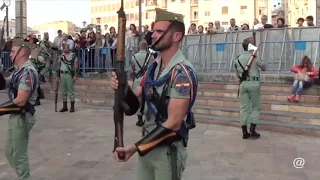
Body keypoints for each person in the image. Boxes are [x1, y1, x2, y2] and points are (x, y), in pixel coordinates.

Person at [110, 8, 198, 180]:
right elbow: (133, 106)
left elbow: (173, 123)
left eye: (159, 31)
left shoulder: (181, 73)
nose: (153, 35)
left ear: (176, 36)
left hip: (167, 152)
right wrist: (123, 88)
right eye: (153, 30)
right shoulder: (153, 68)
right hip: (147, 148)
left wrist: (134, 148)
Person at [0, 38, 39, 180]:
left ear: (22, 52)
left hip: (22, 117)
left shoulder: (28, 72)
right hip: (15, 116)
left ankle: (24, 177)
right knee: (10, 153)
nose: (10, 54)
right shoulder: (19, 71)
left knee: (19, 154)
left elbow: (21, 101)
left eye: (12, 51)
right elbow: (5, 83)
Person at [234, 38, 266, 139]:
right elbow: (265, 67)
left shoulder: (238, 59)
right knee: (255, 107)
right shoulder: (254, 58)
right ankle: (252, 130)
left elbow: (238, 75)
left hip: (243, 84)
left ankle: (244, 131)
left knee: (244, 108)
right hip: (254, 83)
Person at [130, 40, 153, 127]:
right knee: (148, 99)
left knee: (138, 100)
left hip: (137, 80)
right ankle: (147, 118)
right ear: (146, 46)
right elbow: (152, 68)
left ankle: (139, 120)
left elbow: (132, 70)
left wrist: (131, 79)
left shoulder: (134, 57)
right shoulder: (150, 57)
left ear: (139, 47)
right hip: (147, 80)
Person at [56, 43, 78, 113]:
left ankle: (72, 107)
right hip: (62, 74)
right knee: (63, 91)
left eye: (67, 47)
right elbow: (59, 66)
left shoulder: (73, 56)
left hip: (69, 74)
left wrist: (75, 75)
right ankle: (65, 106)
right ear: (63, 48)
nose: (66, 49)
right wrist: (57, 76)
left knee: (71, 91)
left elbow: (75, 66)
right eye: (65, 48)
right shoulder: (61, 56)